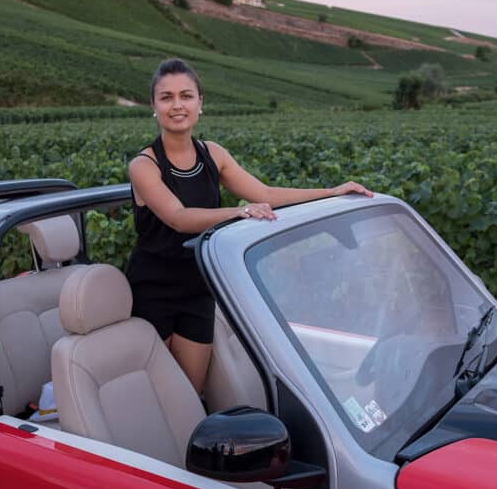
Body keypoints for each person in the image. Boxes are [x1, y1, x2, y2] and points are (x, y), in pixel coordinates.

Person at [126, 58, 373, 395]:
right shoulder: (144, 165)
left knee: (191, 393)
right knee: (155, 393)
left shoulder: (213, 154)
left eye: (186, 95)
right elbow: (178, 217)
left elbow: (265, 194)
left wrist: (332, 192)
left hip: (199, 287)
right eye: (166, 97)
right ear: (154, 106)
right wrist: (239, 212)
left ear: (200, 103)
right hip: (153, 289)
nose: (177, 105)